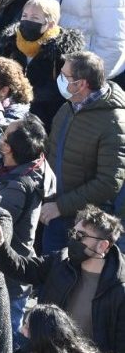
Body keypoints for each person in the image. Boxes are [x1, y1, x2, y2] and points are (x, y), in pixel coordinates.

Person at [44, 52, 125, 252]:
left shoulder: (113, 123)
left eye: (65, 76)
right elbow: (51, 150)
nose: (59, 79)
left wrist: (61, 206)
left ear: (81, 84)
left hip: (83, 226)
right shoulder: (68, 107)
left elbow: (108, 182)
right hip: (53, 212)